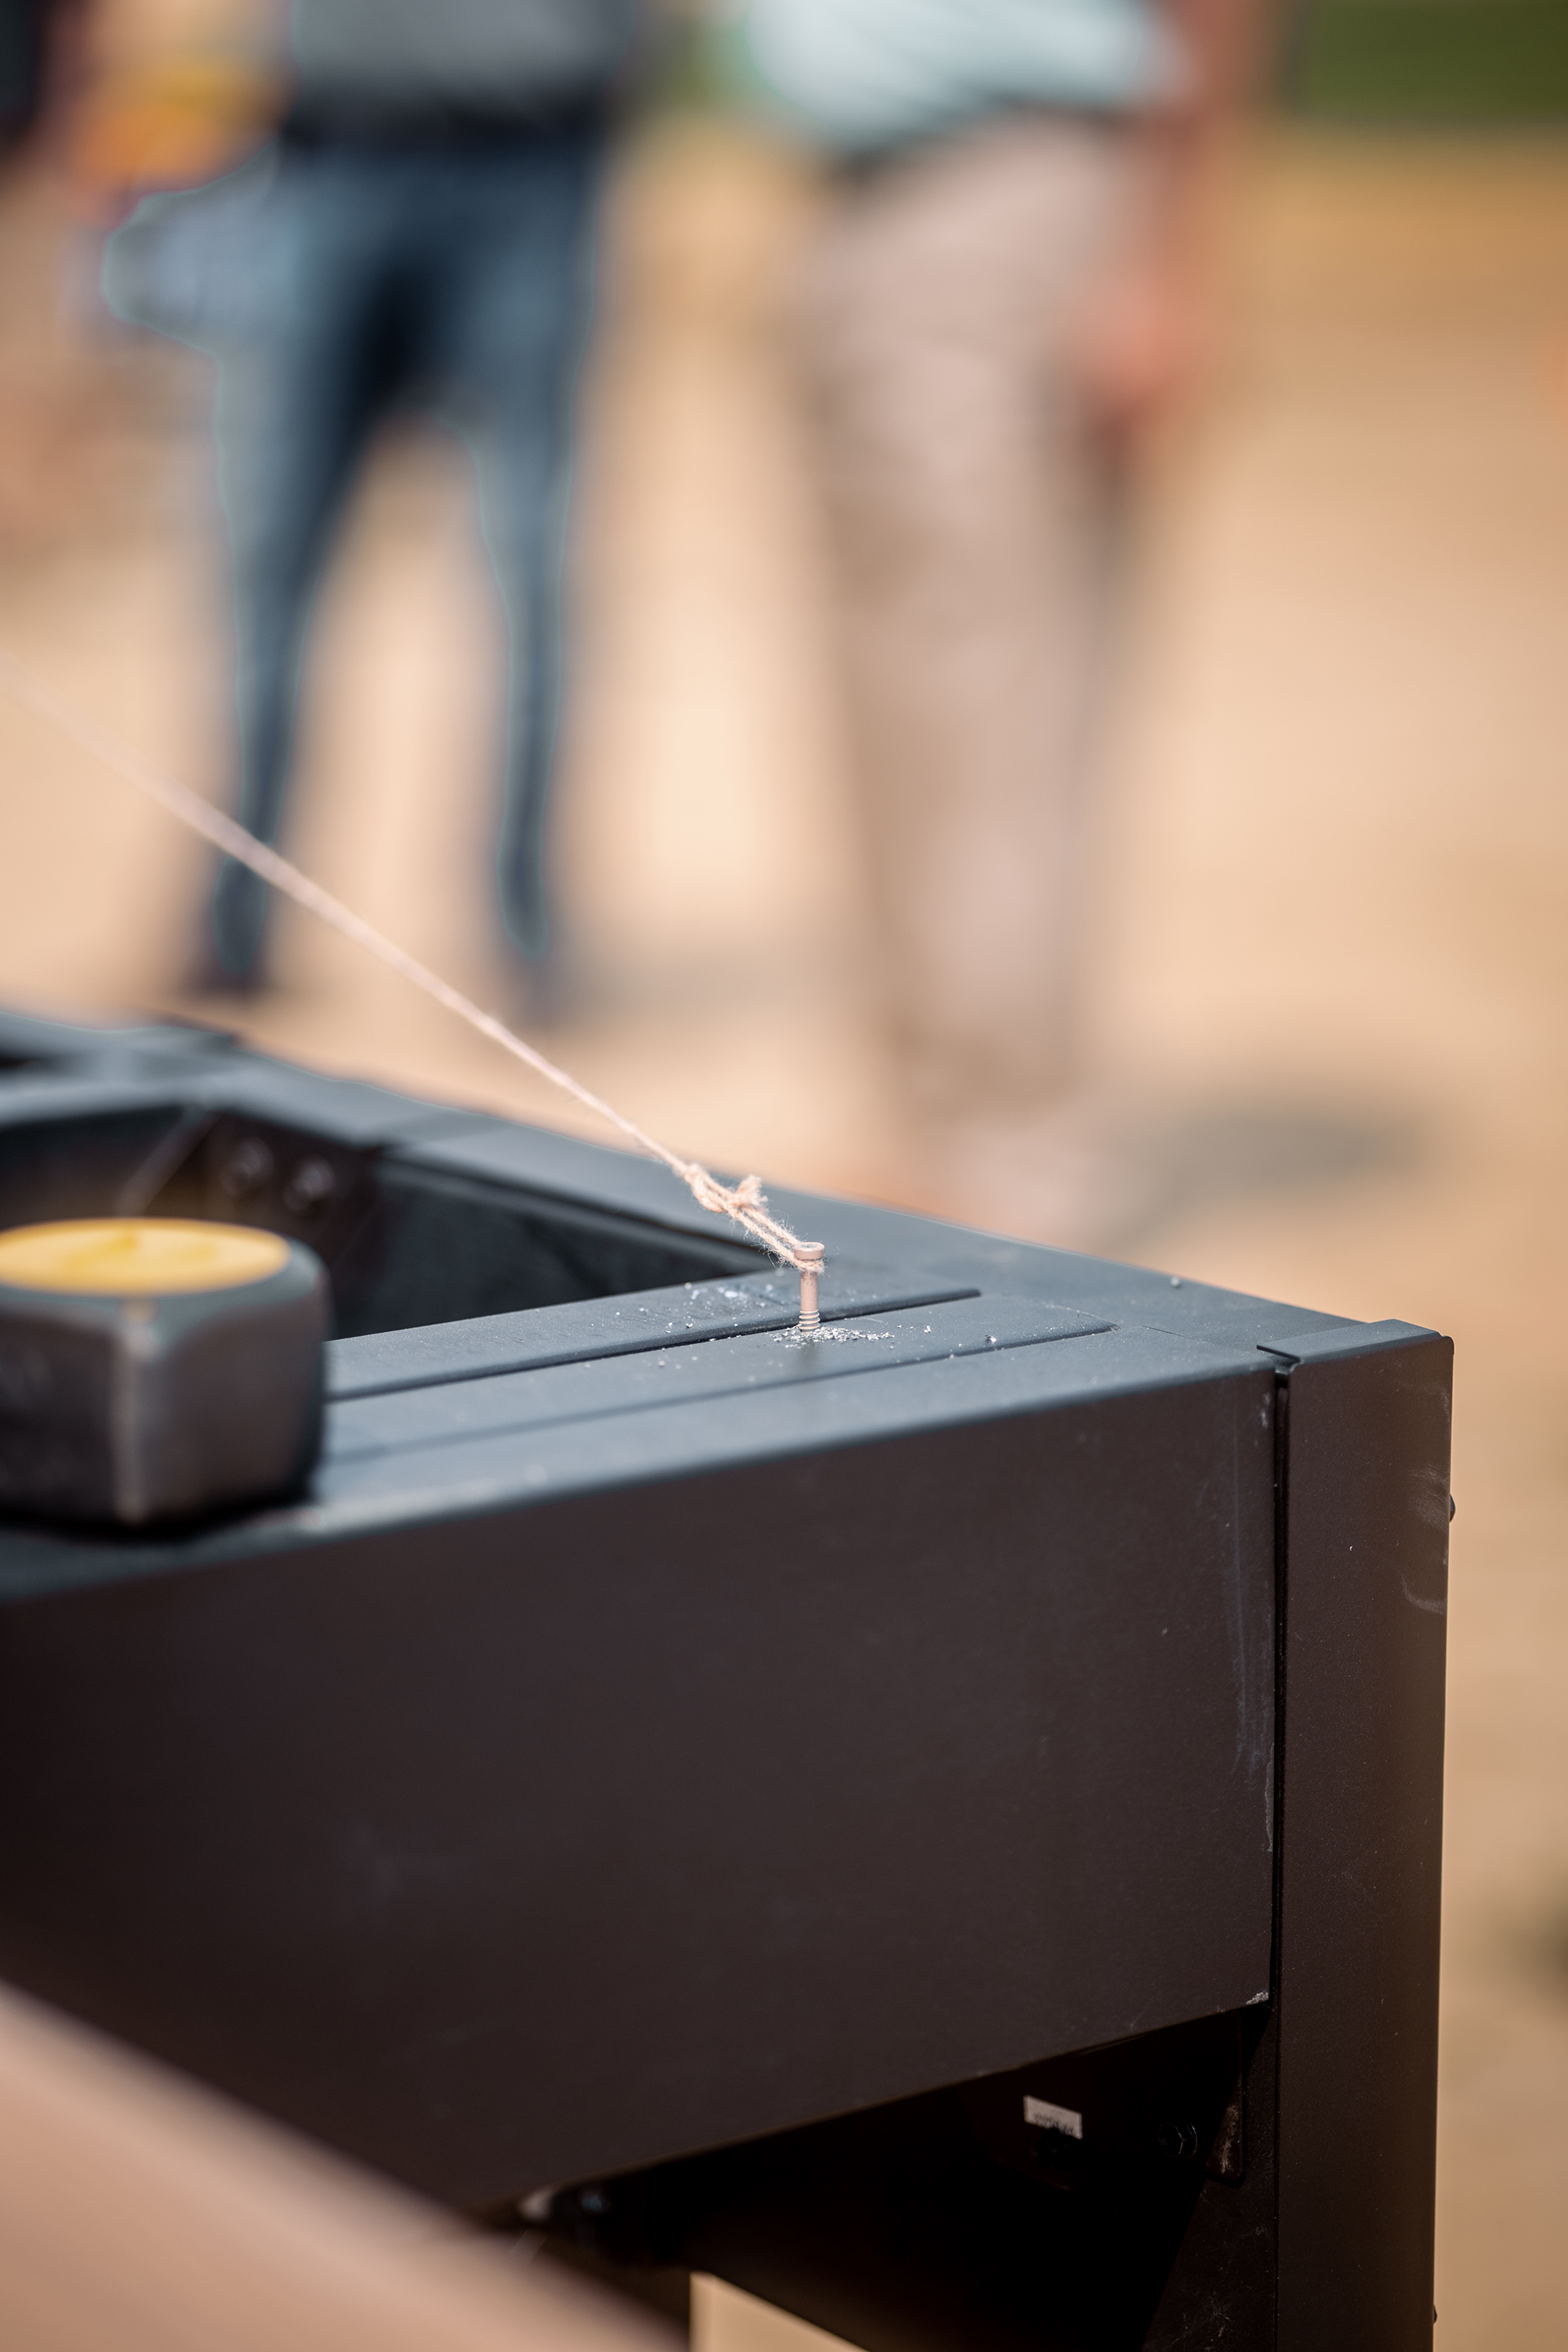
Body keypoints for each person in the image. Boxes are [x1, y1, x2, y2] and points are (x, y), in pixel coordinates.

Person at [728, 0, 1254, 1221]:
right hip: (859, 196)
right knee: (897, 711)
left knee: (996, 696)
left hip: (1022, 185)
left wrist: (1163, 256)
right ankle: (937, 1135)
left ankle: (1025, 1166)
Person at [119, 2, 649, 994]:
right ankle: (233, 920)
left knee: (529, 572)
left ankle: (525, 928)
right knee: (264, 560)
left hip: (533, 166)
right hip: (323, 164)